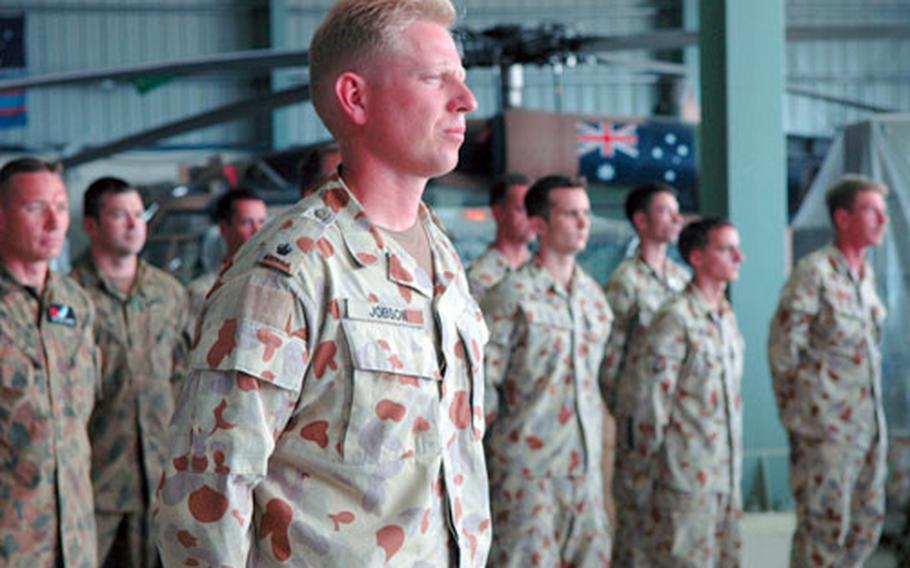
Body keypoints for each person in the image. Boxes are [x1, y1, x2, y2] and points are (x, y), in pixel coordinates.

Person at [153, 1, 492, 566]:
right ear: (355, 98)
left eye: (462, 79)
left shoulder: (442, 260)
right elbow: (208, 489)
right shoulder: (290, 272)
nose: (466, 101)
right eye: (435, 79)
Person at [482, 175, 613, 566]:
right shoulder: (509, 296)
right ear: (539, 225)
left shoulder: (594, 298)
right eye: (571, 214)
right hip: (526, 481)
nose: (583, 223)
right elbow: (481, 395)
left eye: (586, 214)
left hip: (585, 480)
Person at [768, 175, 889, 567]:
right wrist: (802, 417)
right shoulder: (814, 273)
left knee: (866, 523)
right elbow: (783, 349)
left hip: (867, 426)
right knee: (823, 528)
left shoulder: (865, 278)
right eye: (871, 210)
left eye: (883, 212)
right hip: (825, 428)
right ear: (842, 217)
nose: (882, 220)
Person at [71, 176, 189, 567]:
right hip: (96, 483)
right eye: (119, 215)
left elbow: (184, 376)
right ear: (91, 225)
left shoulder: (169, 293)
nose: (133, 224)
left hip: (162, 481)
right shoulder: (68, 298)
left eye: (138, 214)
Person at [0, 157, 100, 567]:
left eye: (60, 207)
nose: (53, 221)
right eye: (34, 208)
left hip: (74, 536)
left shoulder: (75, 303)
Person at [633, 217, 745, 567]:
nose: (738, 257)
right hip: (685, 478)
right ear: (696, 258)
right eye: (726, 249)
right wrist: (653, 473)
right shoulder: (676, 318)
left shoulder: (725, 315)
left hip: (725, 473)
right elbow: (651, 403)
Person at [601, 182, 687, 567]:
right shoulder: (626, 281)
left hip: (681, 419)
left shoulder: (683, 280)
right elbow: (607, 358)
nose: (676, 219)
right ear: (641, 220)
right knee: (636, 519)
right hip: (641, 418)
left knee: (671, 518)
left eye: (676, 210)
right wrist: (629, 408)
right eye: (666, 211)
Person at [184, 188, 267, 337]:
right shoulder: (203, 292)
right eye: (246, 223)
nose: (257, 231)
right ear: (224, 228)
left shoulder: (275, 283)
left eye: (262, 222)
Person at [466, 172, 533, 302]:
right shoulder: (478, 277)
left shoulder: (542, 269)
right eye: (521, 209)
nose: (532, 218)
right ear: (498, 213)